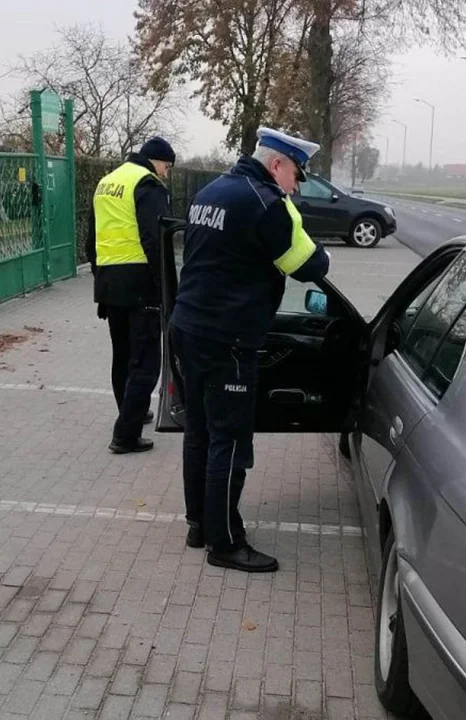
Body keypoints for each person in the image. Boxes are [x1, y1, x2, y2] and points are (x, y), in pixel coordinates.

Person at [170, 127, 331, 572]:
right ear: (277, 163)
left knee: (199, 433)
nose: (295, 185)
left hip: (187, 326)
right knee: (230, 441)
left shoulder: (212, 191)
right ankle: (225, 544)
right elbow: (310, 265)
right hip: (229, 339)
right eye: (295, 174)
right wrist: (294, 218)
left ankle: (199, 524)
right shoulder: (265, 203)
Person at [86, 137, 175, 454]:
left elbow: (91, 240)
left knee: (122, 355)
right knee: (146, 362)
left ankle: (131, 410)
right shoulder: (147, 184)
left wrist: (101, 279)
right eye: (167, 167)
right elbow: (155, 239)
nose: (166, 173)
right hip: (140, 283)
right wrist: (164, 287)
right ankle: (125, 434)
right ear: (157, 161)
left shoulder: (107, 182)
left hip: (111, 283)